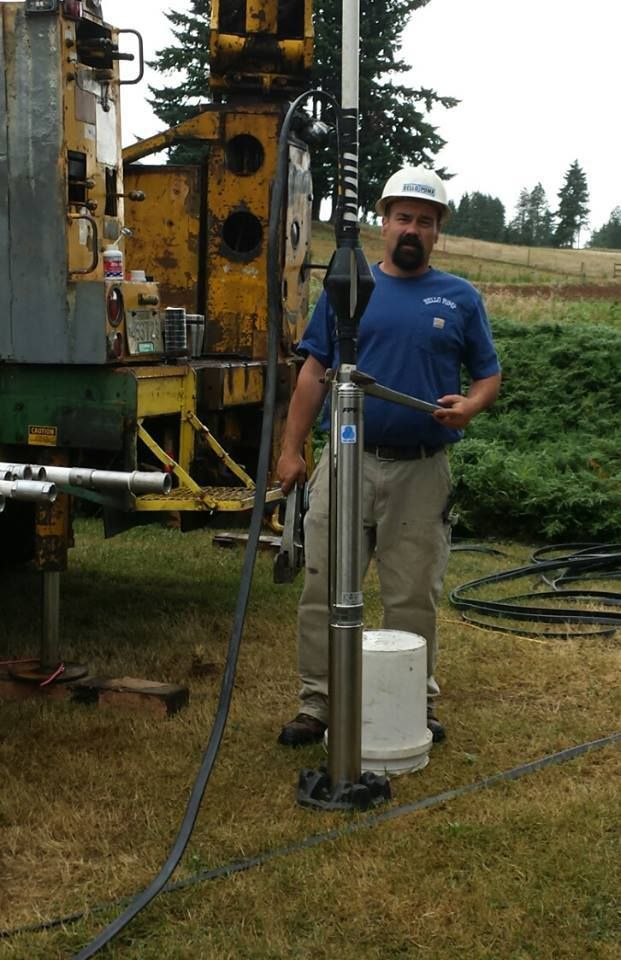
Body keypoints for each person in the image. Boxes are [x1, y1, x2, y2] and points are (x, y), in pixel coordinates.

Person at [276, 166, 501, 748]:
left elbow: (488, 375)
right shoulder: (349, 290)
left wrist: (470, 406)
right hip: (348, 461)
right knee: (325, 584)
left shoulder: (459, 298)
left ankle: (411, 699)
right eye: (403, 217)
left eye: (424, 222)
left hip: (422, 469)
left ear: (436, 232)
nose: (412, 229)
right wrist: (290, 449)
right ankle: (318, 703)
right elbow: (313, 371)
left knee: (412, 593)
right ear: (384, 222)